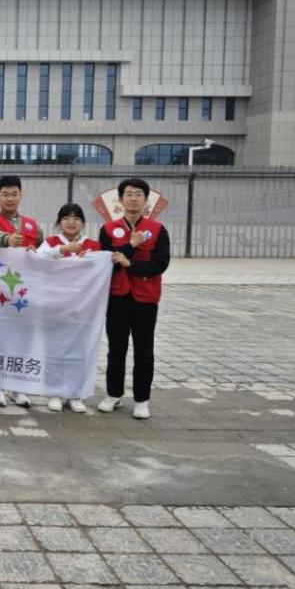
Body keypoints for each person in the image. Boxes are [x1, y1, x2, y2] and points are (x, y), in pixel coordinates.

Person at [97, 178, 171, 420]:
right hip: (117, 296)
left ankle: (141, 400)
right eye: (128, 194)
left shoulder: (157, 230)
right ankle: (113, 394)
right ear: (120, 200)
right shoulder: (108, 229)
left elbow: (160, 264)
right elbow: (106, 261)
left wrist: (130, 263)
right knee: (116, 349)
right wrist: (131, 245)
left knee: (144, 350)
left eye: (138, 194)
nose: (133, 198)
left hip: (145, 298)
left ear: (146, 200)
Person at [0, 175, 43, 410]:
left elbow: (43, 253)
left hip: (25, 294)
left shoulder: (33, 226)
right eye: (5, 194)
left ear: (21, 195)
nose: (10, 198)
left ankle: (18, 387)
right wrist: (7, 240)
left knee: (22, 340)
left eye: (14, 194)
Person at [36, 203, 102, 413]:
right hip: (55, 306)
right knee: (54, 350)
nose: (71, 222)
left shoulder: (93, 245)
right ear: (59, 222)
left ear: (83, 222)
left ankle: (75, 394)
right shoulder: (51, 242)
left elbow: (102, 267)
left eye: (76, 218)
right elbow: (37, 259)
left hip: (83, 308)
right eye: (66, 218)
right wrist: (62, 250)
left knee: (79, 351)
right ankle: (54, 393)